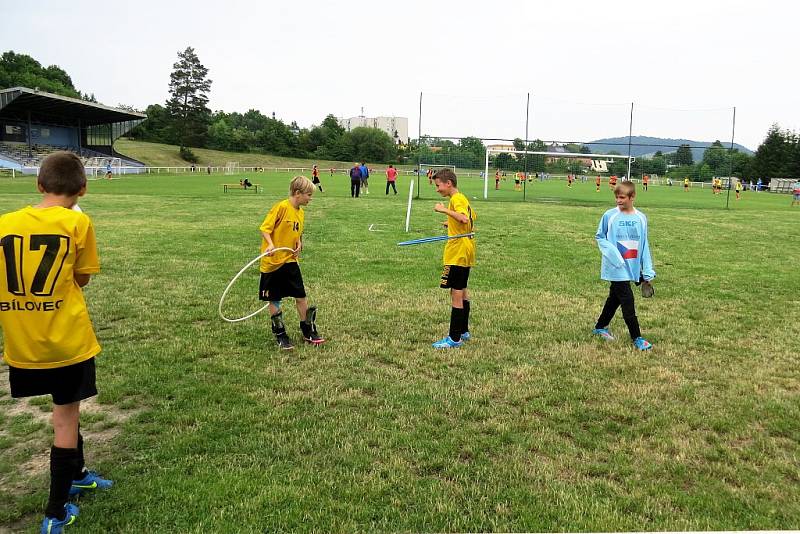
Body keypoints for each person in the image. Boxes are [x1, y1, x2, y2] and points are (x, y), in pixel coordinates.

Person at [0, 151, 113, 533]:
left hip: (22, 343)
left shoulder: (4, 223)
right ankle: (55, 510)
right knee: (66, 417)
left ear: (38, 184)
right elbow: (82, 280)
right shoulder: (78, 223)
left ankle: (78, 473)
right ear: (83, 188)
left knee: (67, 410)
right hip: (66, 341)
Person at [259, 175, 325, 350]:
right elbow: (265, 229)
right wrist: (271, 244)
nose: (310, 198)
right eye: (308, 195)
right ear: (297, 193)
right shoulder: (281, 207)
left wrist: (299, 242)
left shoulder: (300, 213)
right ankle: (280, 333)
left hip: (290, 260)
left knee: (301, 296)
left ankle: (307, 329)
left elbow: (297, 232)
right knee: (274, 298)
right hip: (273, 262)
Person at [592, 181, 655, 351]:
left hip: (632, 267)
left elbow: (644, 244)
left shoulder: (641, 218)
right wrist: (615, 256)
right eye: (616, 197)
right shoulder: (609, 215)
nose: (618, 201)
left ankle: (600, 327)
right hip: (615, 267)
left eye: (622, 197)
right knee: (627, 299)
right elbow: (600, 237)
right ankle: (637, 338)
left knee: (614, 298)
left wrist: (647, 270)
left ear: (632, 197)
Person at [431, 169, 476, 349]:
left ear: (448, 183)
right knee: (463, 290)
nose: (437, 189)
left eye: (438, 185)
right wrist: (450, 223)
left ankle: (454, 338)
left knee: (456, 294)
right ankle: (463, 331)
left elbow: (464, 219)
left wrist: (443, 210)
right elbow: (470, 219)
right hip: (466, 249)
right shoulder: (462, 198)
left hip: (457, 252)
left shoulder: (455, 199)